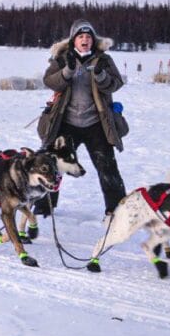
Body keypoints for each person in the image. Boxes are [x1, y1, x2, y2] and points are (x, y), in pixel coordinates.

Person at [35, 18, 127, 220]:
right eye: (81, 36)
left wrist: (102, 76)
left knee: (107, 166)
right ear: (73, 40)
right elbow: (50, 81)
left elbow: (116, 84)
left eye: (88, 36)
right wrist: (67, 71)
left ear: (93, 40)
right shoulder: (61, 58)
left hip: (97, 123)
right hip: (66, 123)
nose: (85, 40)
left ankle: (117, 211)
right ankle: (44, 206)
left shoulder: (103, 60)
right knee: (52, 164)